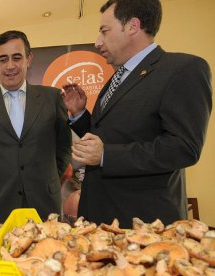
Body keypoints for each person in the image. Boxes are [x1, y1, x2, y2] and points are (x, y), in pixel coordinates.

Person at [62, 0, 212, 228]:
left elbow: (184, 147)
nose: (97, 41)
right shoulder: (117, 78)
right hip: (100, 216)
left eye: (104, 30)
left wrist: (106, 156)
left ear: (132, 26)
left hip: (142, 221)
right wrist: (81, 114)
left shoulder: (183, 69)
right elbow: (107, 135)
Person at [0, 30, 71, 228]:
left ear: (28, 59)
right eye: (3, 59)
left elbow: (63, 148)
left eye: (17, 57)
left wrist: (46, 177)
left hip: (44, 204)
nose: (10, 65)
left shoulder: (52, 98)